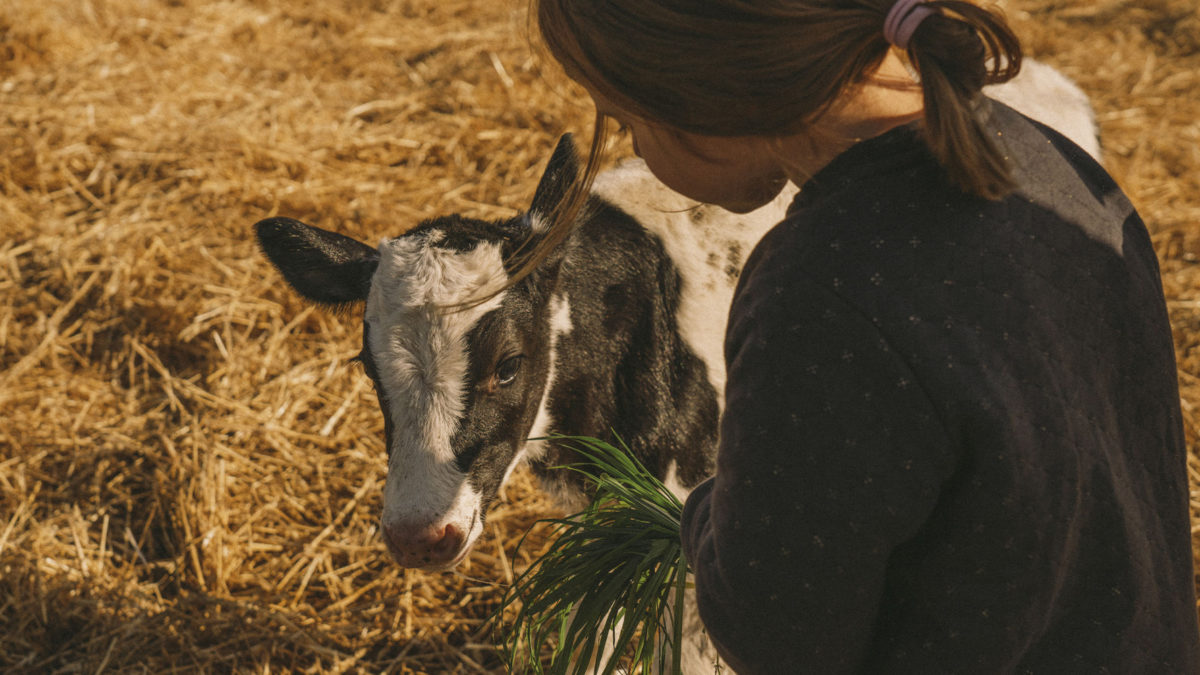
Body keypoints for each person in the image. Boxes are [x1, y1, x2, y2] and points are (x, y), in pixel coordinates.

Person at [523, 0, 1200, 672]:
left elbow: (777, 631)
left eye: (627, 119)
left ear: (702, 96)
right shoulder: (1056, 166)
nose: (637, 149)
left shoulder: (822, 290)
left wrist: (708, 515)